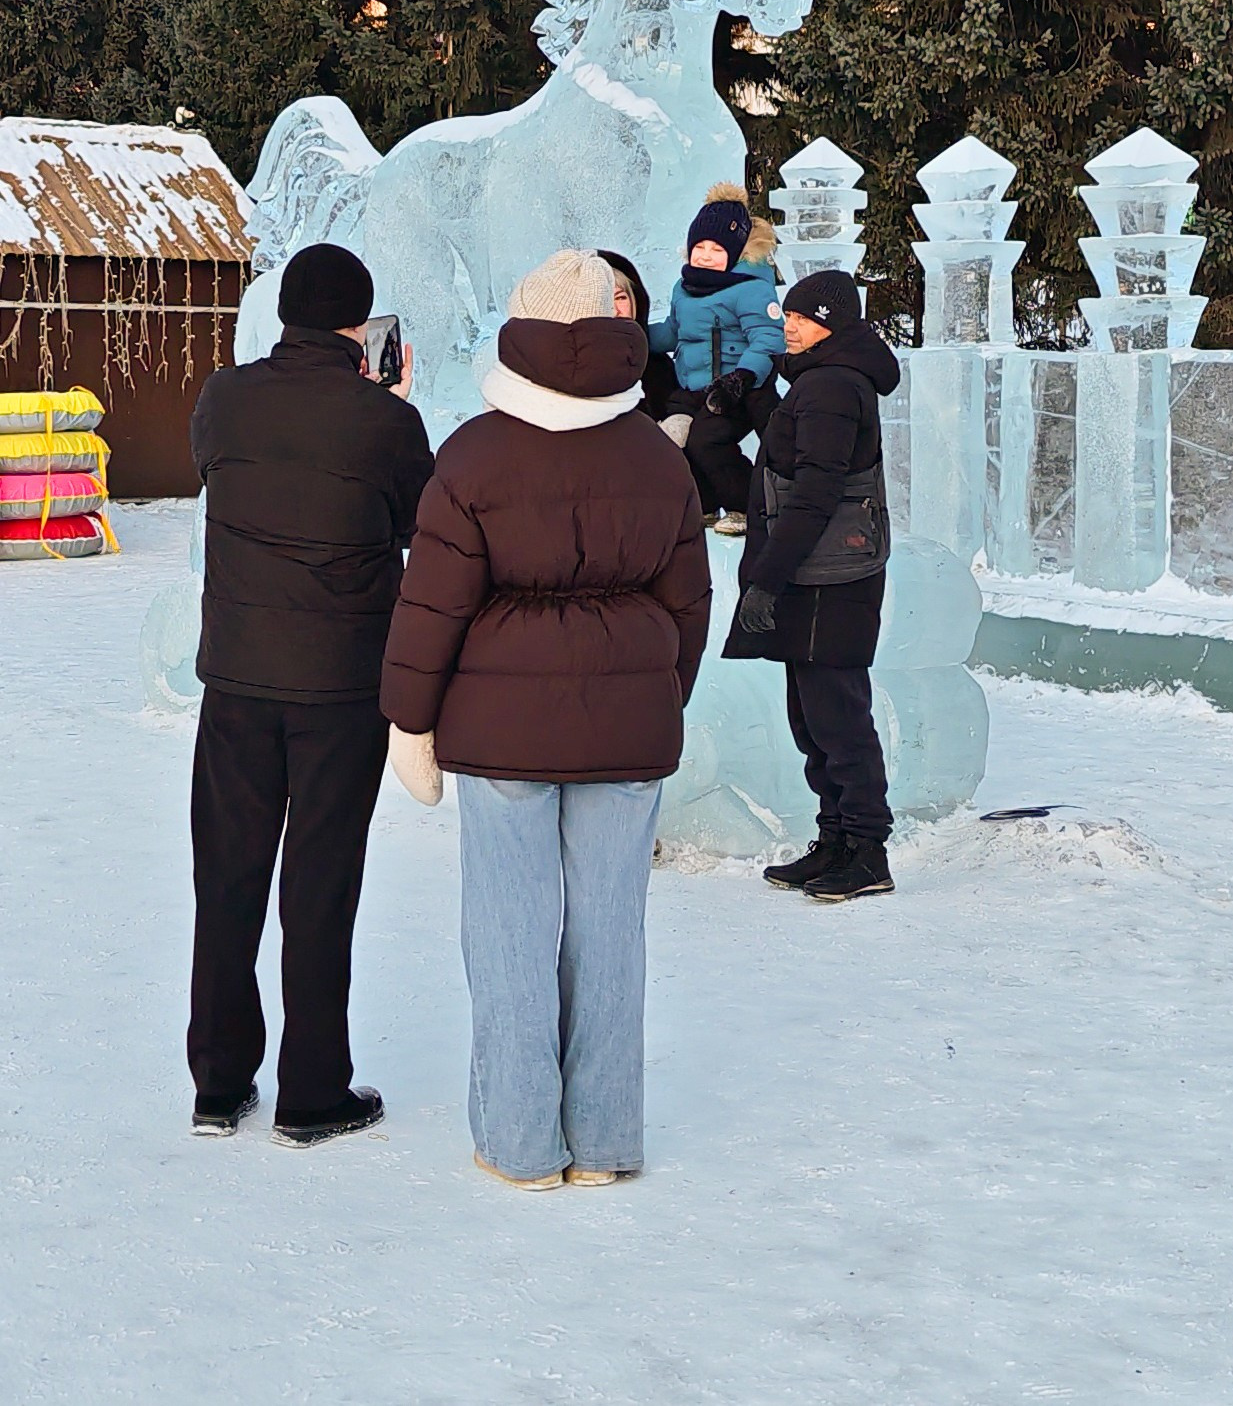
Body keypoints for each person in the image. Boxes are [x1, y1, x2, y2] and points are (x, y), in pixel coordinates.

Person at [382, 250, 711, 1190]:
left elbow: (431, 603)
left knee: (509, 928)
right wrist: (658, 692)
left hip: (501, 733)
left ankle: (522, 1142)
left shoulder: (475, 453)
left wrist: (410, 720)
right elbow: (689, 600)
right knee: (611, 929)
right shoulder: (654, 452)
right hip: (625, 731)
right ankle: (604, 1142)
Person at [188, 244, 434, 1145]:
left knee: (226, 878)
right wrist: (391, 409)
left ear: (285, 312)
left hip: (238, 678)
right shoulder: (382, 421)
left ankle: (218, 1082)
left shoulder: (224, 397)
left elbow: (216, 470)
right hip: (340, 686)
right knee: (320, 884)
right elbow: (422, 519)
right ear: (360, 327)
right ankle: (312, 1090)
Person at [723, 269, 901, 903]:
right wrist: (750, 394)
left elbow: (816, 490)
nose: (788, 325)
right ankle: (835, 840)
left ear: (833, 323)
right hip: (819, 568)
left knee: (838, 716)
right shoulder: (822, 382)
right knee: (811, 716)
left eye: (803, 317)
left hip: (831, 574)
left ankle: (867, 849)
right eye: (787, 315)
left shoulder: (831, 386)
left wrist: (766, 578)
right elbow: (790, 449)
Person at [647, 182, 783, 536]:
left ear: (736, 252)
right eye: (700, 247)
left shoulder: (751, 288)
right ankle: (704, 505)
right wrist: (636, 335)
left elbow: (768, 337)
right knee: (671, 438)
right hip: (691, 386)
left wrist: (742, 378)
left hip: (733, 388)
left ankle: (747, 505)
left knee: (708, 440)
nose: (705, 255)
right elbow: (672, 331)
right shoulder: (685, 288)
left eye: (717, 249)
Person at [597, 248, 677, 421]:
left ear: (636, 301)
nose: (614, 310)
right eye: (602, 301)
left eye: (620, 298)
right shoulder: (570, 370)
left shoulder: (659, 366)